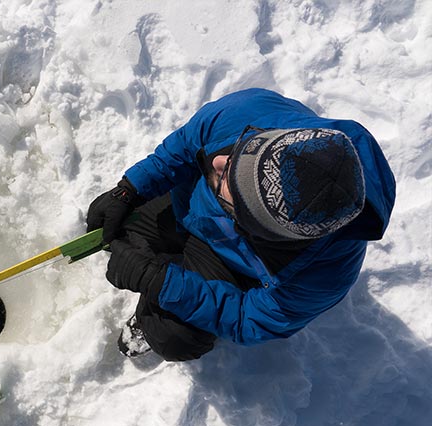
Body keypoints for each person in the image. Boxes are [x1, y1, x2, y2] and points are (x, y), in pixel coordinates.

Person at [86, 88, 395, 361]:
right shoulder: (248, 111)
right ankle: (170, 261)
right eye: (237, 160)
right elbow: (182, 147)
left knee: (173, 336)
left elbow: (251, 319)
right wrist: (130, 189)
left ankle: (166, 291)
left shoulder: (324, 272)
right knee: (117, 224)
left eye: (227, 184)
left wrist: (163, 283)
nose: (218, 164)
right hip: (189, 207)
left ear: (262, 230)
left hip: (231, 264)